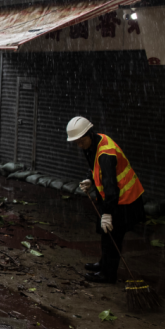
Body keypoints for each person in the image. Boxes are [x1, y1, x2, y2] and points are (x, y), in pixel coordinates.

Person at [65, 116, 145, 284]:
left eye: (81, 141)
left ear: (89, 134)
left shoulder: (106, 155)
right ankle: (103, 264)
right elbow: (93, 167)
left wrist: (107, 213)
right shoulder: (94, 143)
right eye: (76, 143)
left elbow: (111, 187)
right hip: (111, 197)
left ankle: (108, 274)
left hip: (124, 199)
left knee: (112, 237)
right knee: (105, 233)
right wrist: (89, 179)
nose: (79, 146)